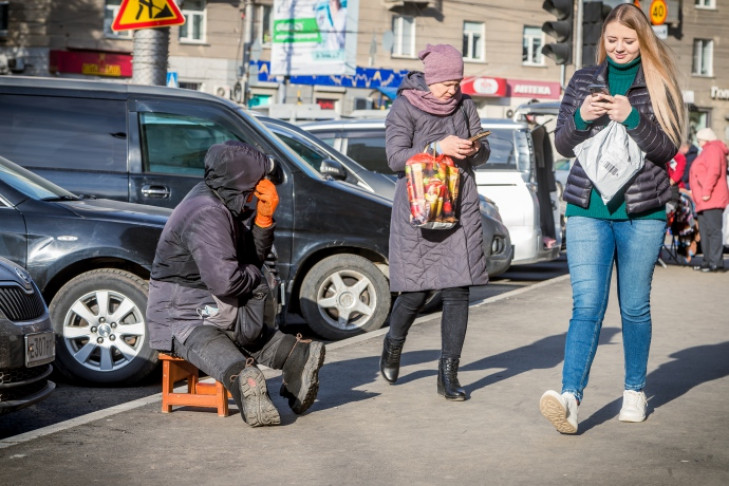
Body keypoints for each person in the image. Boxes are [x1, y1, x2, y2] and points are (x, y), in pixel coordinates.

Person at [539, 4, 686, 434]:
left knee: (634, 307)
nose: (619, 48)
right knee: (586, 304)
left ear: (643, 40)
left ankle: (634, 392)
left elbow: (669, 149)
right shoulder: (584, 78)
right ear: (602, 40)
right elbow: (564, 144)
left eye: (628, 40)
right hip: (587, 207)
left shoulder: (660, 81)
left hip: (643, 212)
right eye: (611, 40)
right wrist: (584, 116)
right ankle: (569, 398)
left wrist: (632, 117)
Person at [146, 141, 325, 427]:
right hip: (180, 310)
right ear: (241, 181)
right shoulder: (207, 212)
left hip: (213, 304)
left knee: (231, 329)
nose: (258, 191)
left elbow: (249, 258)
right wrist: (256, 275)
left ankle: (287, 359)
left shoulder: (222, 201)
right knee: (207, 336)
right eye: (256, 184)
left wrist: (264, 221)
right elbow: (227, 281)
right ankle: (251, 375)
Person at [380, 43, 490, 401]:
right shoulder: (404, 106)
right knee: (414, 291)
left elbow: (484, 151)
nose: (453, 89)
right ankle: (393, 344)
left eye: (458, 81)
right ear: (430, 78)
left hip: (458, 204)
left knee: (458, 289)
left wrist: (475, 148)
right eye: (448, 82)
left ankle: (448, 375)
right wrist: (437, 146)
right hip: (420, 207)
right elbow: (395, 157)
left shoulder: (466, 105)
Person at [689, 127, 729, 273]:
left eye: (699, 138)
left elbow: (714, 170)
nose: (698, 141)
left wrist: (706, 192)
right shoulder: (707, 150)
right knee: (705, 231)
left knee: (713, 230)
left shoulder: (713, 149)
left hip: (712, 197)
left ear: (706, 138)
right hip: (704, 200)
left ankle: (716, 262)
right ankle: (707, 261)